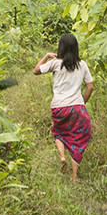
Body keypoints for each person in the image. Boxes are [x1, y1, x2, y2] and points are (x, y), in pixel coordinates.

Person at [35, 33, 94, 181]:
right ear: (76, 48)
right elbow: (90, 86)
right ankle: (74, 177)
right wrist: (82, 102)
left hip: (59, 107)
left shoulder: (56, 63)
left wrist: (47, 56)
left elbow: (36, 70)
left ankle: (62, 156)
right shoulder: (83, 65)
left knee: (58, 131)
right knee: (80, 137)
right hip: (77, 107)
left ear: (61, 47)